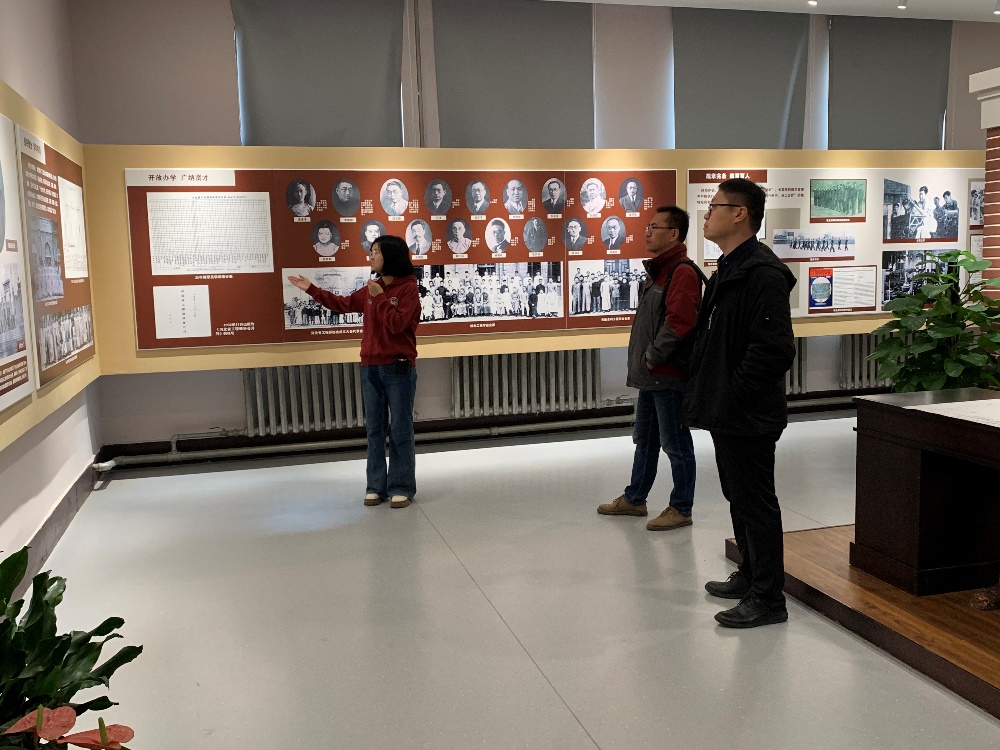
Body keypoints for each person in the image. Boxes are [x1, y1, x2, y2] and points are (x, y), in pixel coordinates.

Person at [684, 178, 796, 629]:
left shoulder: (762, 273)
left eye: (714, 206)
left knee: (756, 503)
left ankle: (769, 598)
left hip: (747, 413)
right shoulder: (730, 268)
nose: (707, 214)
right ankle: (750, 575)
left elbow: (773, 350)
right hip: (728, 410)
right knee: (738, 497)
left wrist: (733, 394)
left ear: (739, 214)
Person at [287, 235, 420, 508]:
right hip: (370, 367)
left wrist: (380, 298)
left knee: (400, 430)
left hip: (398, 368)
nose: (371, 256)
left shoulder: (408, 289)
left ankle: (401, 486)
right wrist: (311, 289)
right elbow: (344, 304)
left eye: (376, 252)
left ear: (391, 256)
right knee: (374, 430)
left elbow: (397, 325)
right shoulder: (373, 288)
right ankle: (375, 486)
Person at [598, 206, 702, 530]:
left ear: (674, 234)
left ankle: (681, 508)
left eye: (655, 227)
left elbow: (680, 322)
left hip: (667, 375)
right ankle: (635, 499)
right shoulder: (658, 271)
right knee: (645, 440)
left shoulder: (681, 272)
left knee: (675, 444)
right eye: (648, 226)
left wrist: (653, 356)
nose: (647, 232)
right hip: (652, 376)